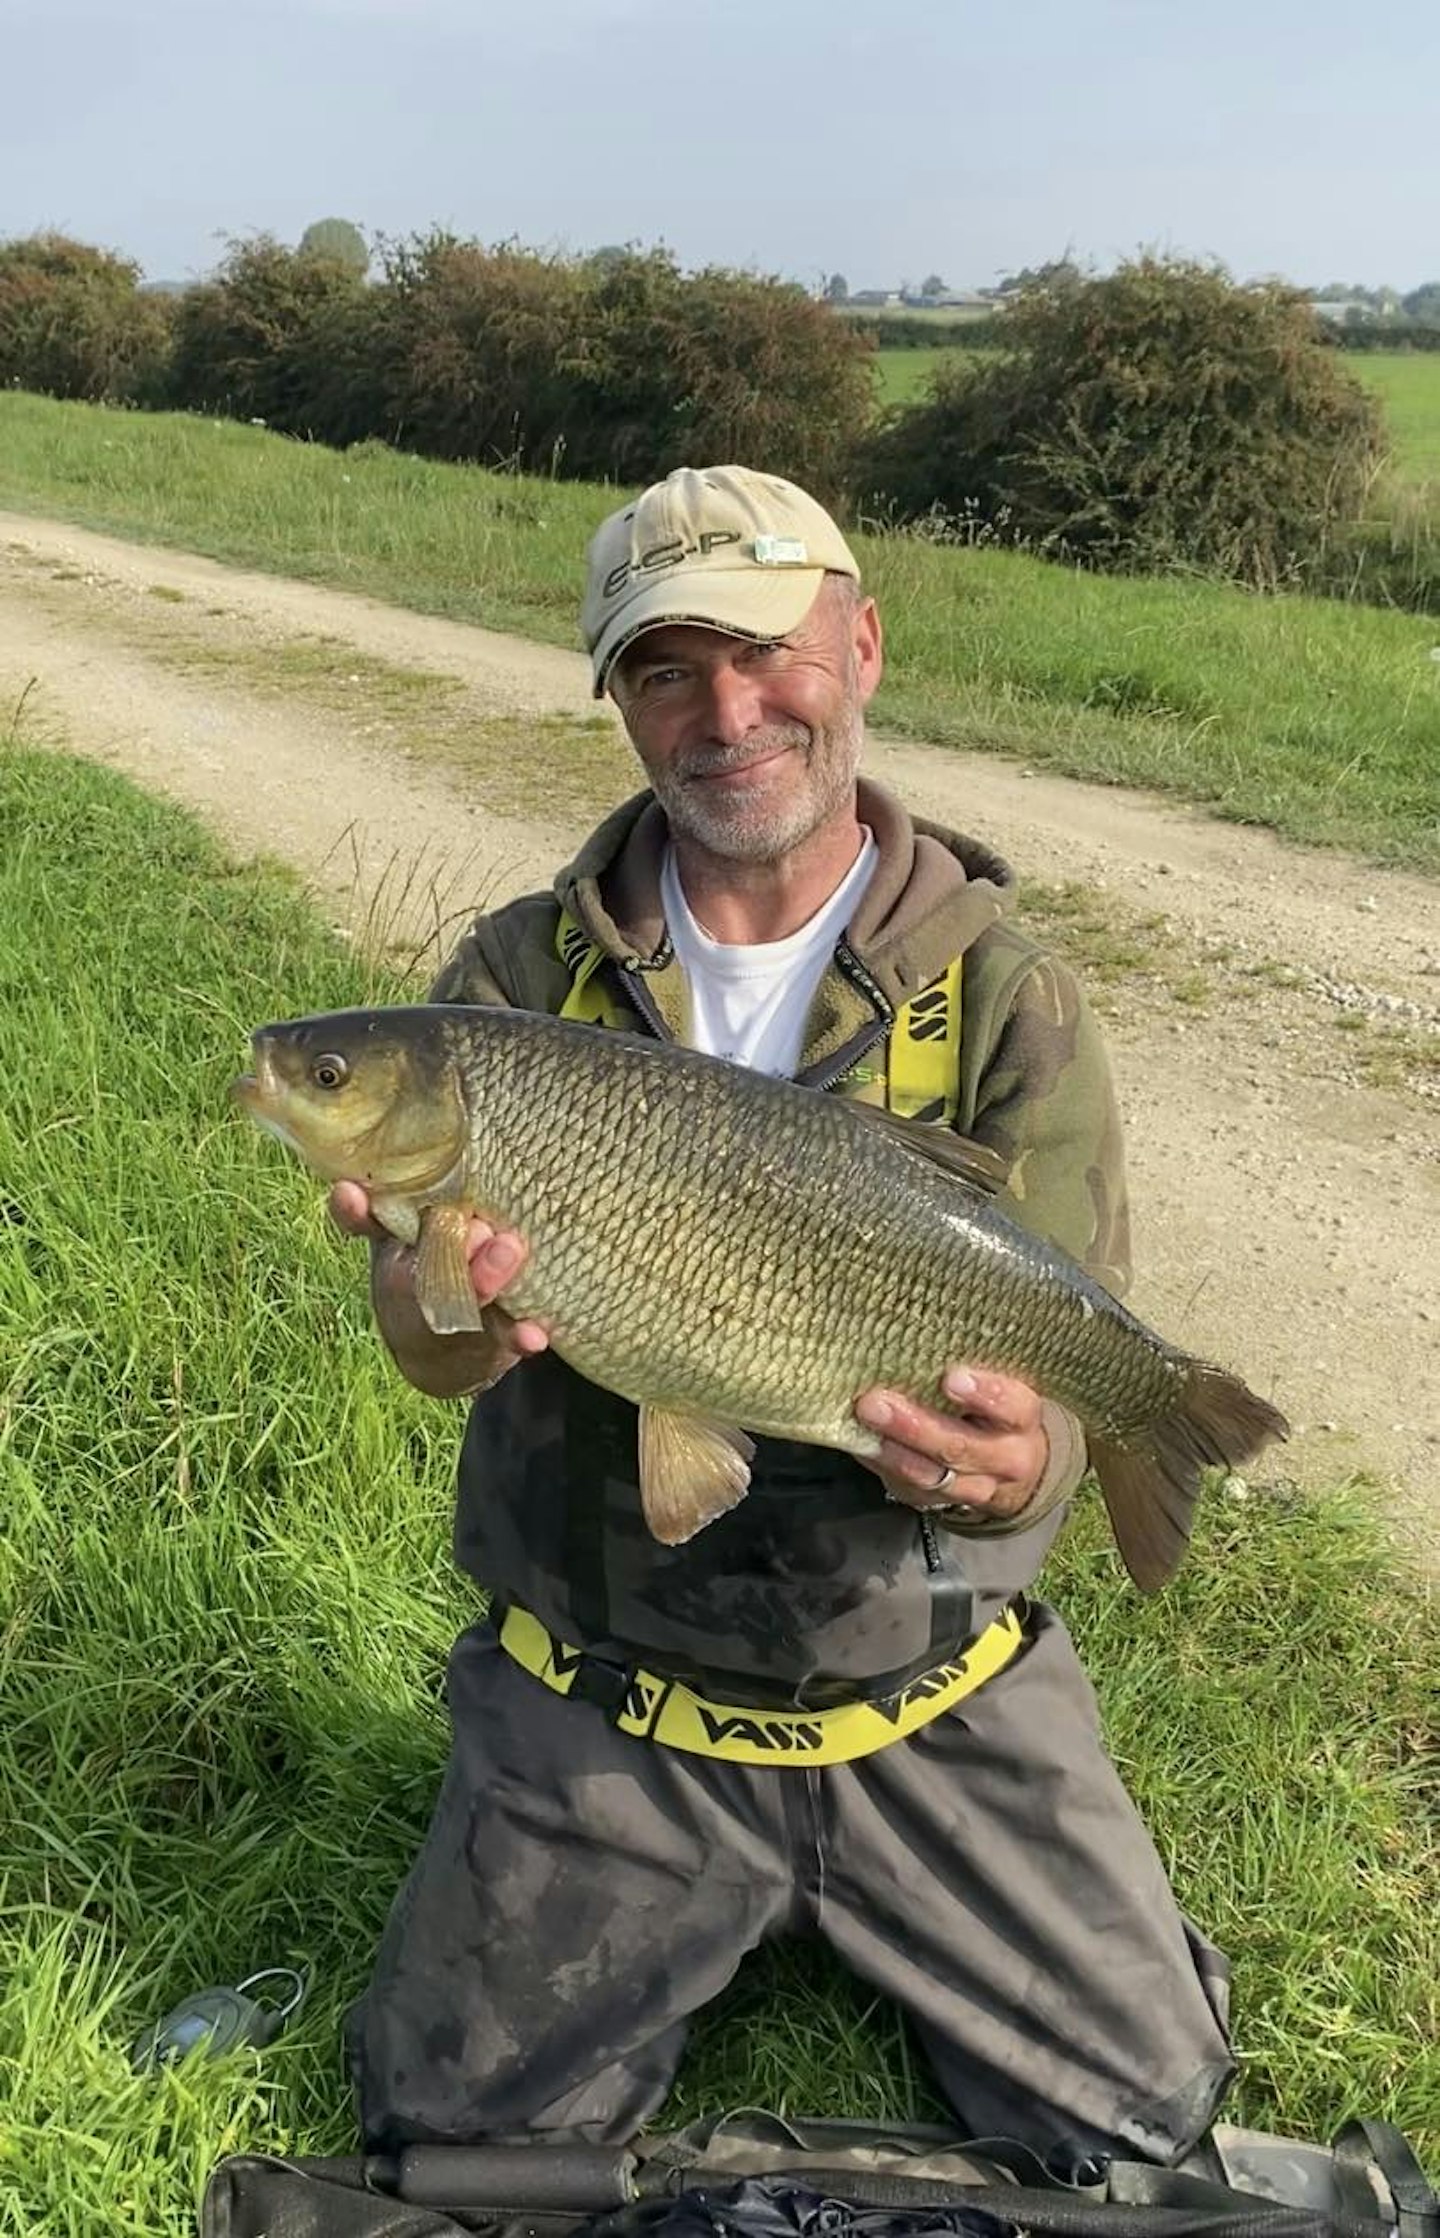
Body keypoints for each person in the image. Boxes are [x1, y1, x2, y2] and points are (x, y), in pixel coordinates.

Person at [334, 465, 1234, 2170]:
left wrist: (1028, 1456)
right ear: (616, 699)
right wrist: (437, 1298)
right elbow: (428, 1350)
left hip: (924, 1682)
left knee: (1145, 2118)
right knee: (452, 2130)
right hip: (609, 1688)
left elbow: (1033, 1391)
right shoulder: (518, 988)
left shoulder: (1008, 997)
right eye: (665, 668)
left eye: (761, 651)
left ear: (865, 648)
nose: (724, 710)